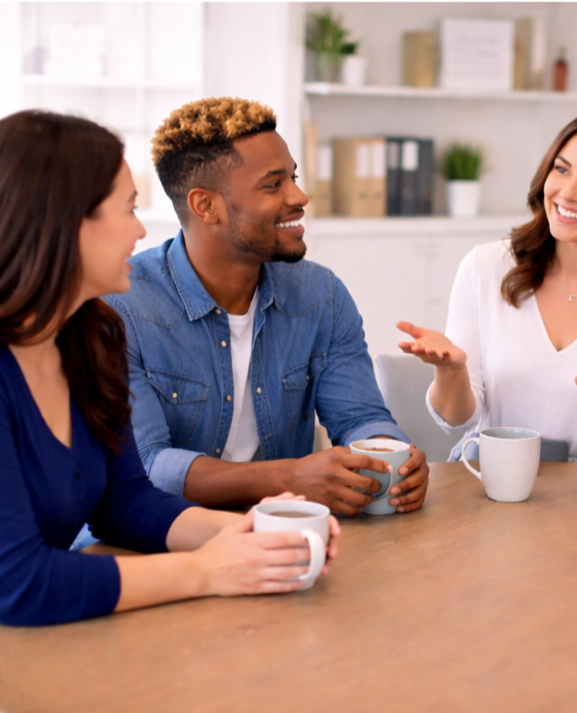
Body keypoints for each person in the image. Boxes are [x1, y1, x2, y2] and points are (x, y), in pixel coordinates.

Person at [0, 110, 342, 626]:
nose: (141, 231)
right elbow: (19, 583)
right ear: (64, 224)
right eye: (127, 210)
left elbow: (124, 500)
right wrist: (206, 571)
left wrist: (245, 534)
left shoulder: (92, 339)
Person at [107, 97, 428, 516]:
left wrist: (390, 451)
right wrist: (289, 479)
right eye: (273, 184)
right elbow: (147, 465)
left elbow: (359, 417)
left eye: (293, 177)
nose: (300, 196)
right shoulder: (122, 308)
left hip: (290, 532)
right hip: (163, 541)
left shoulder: (322, 296)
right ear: (205, 205)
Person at [398, 108, 577, 464]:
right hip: (491, 489)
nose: (567, 193)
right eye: (562, 169)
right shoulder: (486, 267)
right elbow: (457, 417)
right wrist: (450, 370)